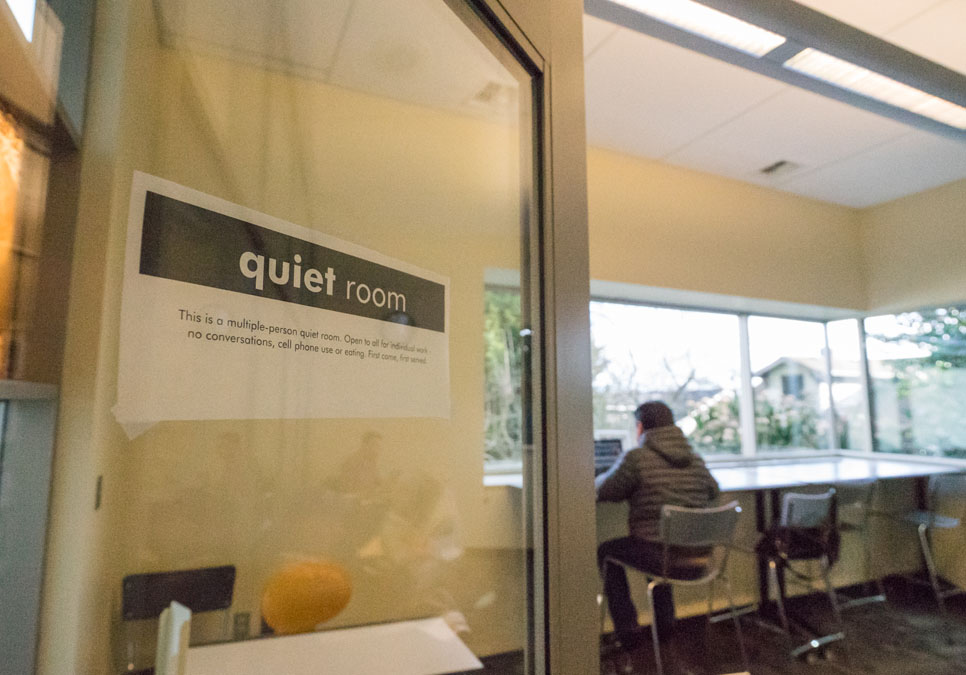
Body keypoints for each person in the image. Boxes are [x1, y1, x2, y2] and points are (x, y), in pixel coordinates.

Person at [596, 401, 720, 651]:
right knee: (664, 542)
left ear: (640, 427)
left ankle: (627, 632)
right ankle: (665, 626)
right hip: (699, 558)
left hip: (663, 558)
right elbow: (713, 491)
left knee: (608, 552)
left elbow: (606, 490)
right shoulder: (695, 459)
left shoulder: (637, 458)